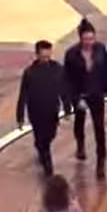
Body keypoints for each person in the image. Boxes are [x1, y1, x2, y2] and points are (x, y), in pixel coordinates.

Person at [16, 40, 70, 176]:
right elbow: (23, 95)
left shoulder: (57, 69)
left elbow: (64, 89)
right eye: (43, 56)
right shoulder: (30, 73)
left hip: (52, 111)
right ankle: (47, 165)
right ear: (37, 55)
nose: (46, 59)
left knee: (50, 135)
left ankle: (42, 149)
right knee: (42, 139)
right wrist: (20, 116)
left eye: (48, 56)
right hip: (36, 112)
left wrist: (67, 107)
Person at [64, 18, 107, 179]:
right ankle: (80, 145)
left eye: (91, 38)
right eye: (86, 39)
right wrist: (74, 98)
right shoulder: (71, 54)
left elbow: (106, 69)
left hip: (96, 93)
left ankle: (101, 160)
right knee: (79, 122)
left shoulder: (101, 49)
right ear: (80, 38)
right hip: (80, 94)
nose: (89, 42)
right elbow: (68, 79)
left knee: (99, 127)